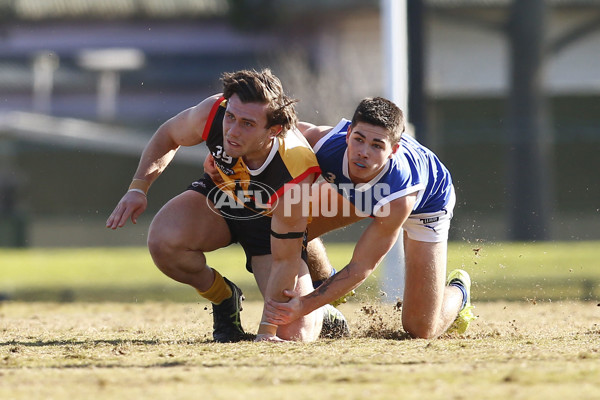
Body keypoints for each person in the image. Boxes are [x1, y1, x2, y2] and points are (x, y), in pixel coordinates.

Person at [106, 69, 348, 342]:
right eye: (231, 117)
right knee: (164, 241)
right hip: (220, 197)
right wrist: (138, 188)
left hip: (268, 226)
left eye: (247, 124)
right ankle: (224, 298)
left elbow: (285, 258)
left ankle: (320, 309)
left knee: (294, 334)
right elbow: (169, 134)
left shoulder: (295, 170)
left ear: (274, 130)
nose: (232, 130)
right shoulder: (214, 110)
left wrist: (266, 332)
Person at [264, 97, 476, 339]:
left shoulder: (400, 195)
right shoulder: (323, 142)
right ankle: (328, 281)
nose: (363, 152)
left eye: (377, 145)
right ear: (347, 134)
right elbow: (272, 134)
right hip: (359, 192)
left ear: (393, 150)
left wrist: (303, 306)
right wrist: (225, 160)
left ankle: (459, 293)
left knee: (420, 329)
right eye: (359, 139)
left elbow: (361, 266)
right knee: (288, 228)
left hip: (426, 205)